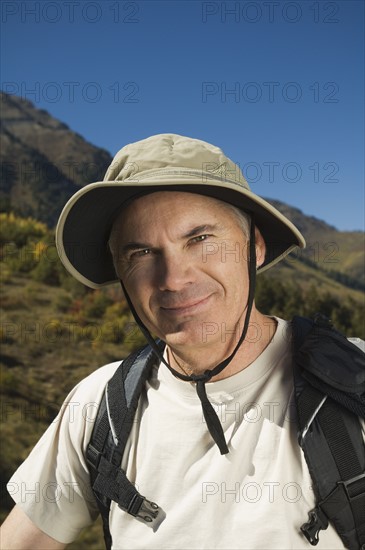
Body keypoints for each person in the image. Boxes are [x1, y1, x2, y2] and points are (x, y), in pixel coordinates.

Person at [0, 134, 361, 549]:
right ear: (121, 273)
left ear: (254, 247)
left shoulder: (354, 386)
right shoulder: (100, 405)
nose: (173, 278)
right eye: (141, 253)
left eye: (201, 239)